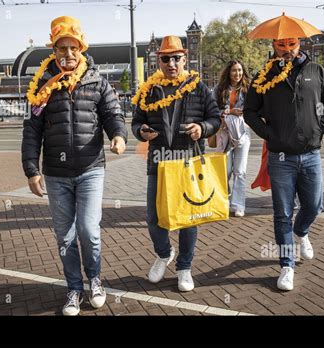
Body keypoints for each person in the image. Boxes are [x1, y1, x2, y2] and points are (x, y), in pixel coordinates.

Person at [21, 16, 128, 316]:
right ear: (53, 51)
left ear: (82, 48)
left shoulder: (97, 81)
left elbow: (113, 114)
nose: (68, 55)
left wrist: (118, 136)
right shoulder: (42, 86)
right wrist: (32, 169)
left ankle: (95, 278)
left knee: (88, 230)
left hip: (91, 168)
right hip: (55, 174)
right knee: (64, 235)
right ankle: (73, 289)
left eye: (73, 48)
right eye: (61, 49)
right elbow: (32, 130)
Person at [244, 36, 324, 291]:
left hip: (311, 153)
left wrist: (322, 128)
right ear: (273, 45)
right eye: (281, 45)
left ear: (299, 43)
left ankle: (303, 231)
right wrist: (269, 135)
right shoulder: (263, 75)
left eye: (291, 44)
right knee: (282, 214)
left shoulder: (315, 70)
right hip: (280, 158)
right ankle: (287, 266)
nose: (287, 49)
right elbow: (249, 111)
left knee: (315, 206)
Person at [131, 35, 221, 292]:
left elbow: (215, 118)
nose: (171, 63)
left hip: (188, 163)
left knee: (188, 218)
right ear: (159, 61)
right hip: (158, 163)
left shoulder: (199, 88)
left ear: (185, 59)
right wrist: (141, 132)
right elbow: (136, 122)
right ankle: (164, 253)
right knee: (153, 217)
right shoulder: (148, 91)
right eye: (165, 58)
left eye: (176, 58)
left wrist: (202, 127)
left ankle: (184, 267)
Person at [212, 60, 251, 217]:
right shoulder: (219, 89)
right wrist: (228, 112)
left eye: (240, 70)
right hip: (224, 133)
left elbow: (253, 110)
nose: (238, 74)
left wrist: (243, 114)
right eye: (234, 70)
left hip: (242, 134)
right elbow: (212, 110)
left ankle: (239, 205)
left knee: (240, 171)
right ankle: (223, 201)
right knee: (225, 171)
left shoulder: (248, 89)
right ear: (228, 72)